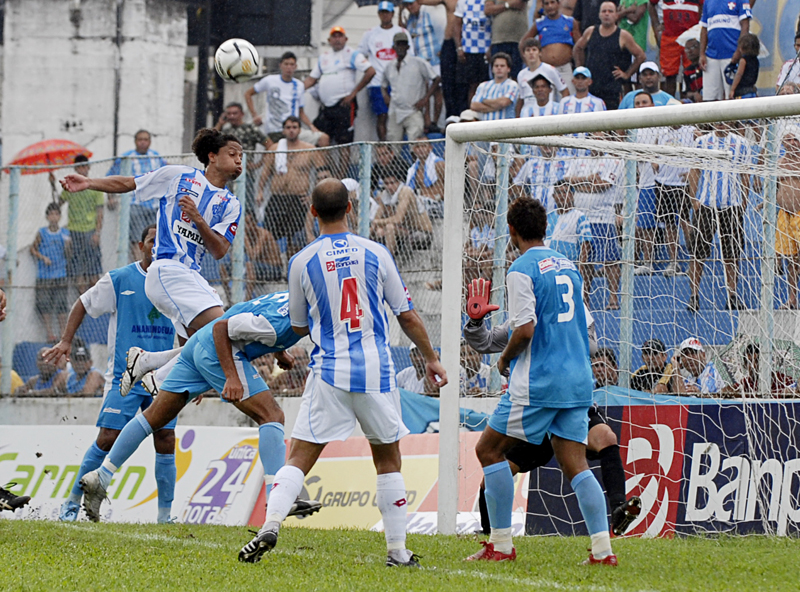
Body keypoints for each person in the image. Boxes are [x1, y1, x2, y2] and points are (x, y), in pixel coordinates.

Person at [240, 179, 447, 566]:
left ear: (313, 212)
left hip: (328, 370)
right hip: (375, 371)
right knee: (388, 459)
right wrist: (431, 357)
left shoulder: (301, 261)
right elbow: (406, 314)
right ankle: (397, 552)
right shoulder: (377, 253)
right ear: (351, 208)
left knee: (299, 456)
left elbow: (299, 324)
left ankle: (271, 524)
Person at [78, 291, 322, 523]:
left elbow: (251, 312)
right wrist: (231, 376)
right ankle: (276, 497)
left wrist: (280, 353)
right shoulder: (282, 323)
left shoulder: (292, 298)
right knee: (272, 416)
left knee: (154, 418)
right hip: (217, 347)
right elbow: (222, 328)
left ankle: (103, 475)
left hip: (196, 346)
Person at [464, 197, 617, 565]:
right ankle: (602, 550)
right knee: (574, 463)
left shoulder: (520, 269)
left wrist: (504, 359)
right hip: (579, 381)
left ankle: (500, 545)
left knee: (487, 451)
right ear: (546, 228)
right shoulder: (569, 267)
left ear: (512, 231)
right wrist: (478, 327)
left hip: (539, 382)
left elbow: (525, 329)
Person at [464, 278, 641, 538]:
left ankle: (618, 509)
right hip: (533, 407)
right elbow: (485, 342)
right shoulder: (522, 320)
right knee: (494, 470)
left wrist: (556, 334)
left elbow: (592, 346)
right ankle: (489, 534)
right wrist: (476, 323)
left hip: (566, 400)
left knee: (605, 438)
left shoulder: (572, 311)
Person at [59, 128, 243, 349]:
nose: (238, 160)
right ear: (212, 156)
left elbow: (220, 250)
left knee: (196, 353)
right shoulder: (180, 175)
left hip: (191, 274)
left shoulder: (231, 204)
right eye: (232, 154)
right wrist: (89, 183)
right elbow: (129, 183)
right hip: (168, 269)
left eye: (241, 156)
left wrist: (198, 219)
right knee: (224, 330)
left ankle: (149, 364)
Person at [41, 225, 178, 521]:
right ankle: (71, 504)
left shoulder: (178, 281)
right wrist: (66, 340)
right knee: (108, 437)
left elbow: (190, 329)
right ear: (140, 245)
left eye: (163, 241)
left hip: (163, 379)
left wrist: (192, 374)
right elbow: (83, 303)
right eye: (152, 240)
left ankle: (165, 518)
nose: (157, 246)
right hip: (124, 377)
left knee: (166, 438)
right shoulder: (120, 279)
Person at [687, 121, 752, 312]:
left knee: (732, 253)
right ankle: (694, 295)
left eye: (725, 121)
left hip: (731, 205)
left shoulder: (741, 143)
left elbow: (745, 174)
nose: (721, 124)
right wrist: (694, 200)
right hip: (706, 204)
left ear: (731, 122)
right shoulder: (701, 142)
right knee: (698, 253)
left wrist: (743, 202)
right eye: (718, 121)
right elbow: (694, 171)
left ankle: (732, 295)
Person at [564, 135, 624, 309]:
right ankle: (585, 300)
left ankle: (613, 298)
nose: (595, 141)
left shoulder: (613, 161)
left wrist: (580, 183)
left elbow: (603, 186)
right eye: (593, 137)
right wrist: (589, 179)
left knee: (610, 259)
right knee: (586, 261)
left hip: (603, 218)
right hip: (581, 218)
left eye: (600, 137)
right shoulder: (579, 159)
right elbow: (567, 180)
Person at [258, 116, 324, 257]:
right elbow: (265, 173)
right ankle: (276, 268)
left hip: (298, 199)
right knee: (270, 235)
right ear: (283, 131)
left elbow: (322, 174)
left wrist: (313, 196)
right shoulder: (275, 149)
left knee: (295, 239)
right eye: (288, 128)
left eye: (294, 127)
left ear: (300, 130)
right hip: (277, 198)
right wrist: (260, 192)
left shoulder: (310, 149)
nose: (291, 131)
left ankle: (293, 266)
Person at [304, 27, 376, 147]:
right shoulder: (324, 57)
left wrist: (353, 94)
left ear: (345, 39)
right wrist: (294, 88)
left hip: (344, 104)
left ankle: (344, 167)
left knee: (344, 141)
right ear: (329, 40)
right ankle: (326, 166)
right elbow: (312, 79)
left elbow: (370, 71)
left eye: (340, 36)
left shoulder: (352, 54)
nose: (337, 40)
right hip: (326, 106)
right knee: (322, 138)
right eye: (334, 37)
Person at [245, 52, 328, 148]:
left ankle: (322, 163)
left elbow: (301, 112)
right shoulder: (269, 80)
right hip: (275, 130)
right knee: (275, 151)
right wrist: (254, 115)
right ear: (281, 65)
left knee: (323, 138)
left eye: (292, 64)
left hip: (294, 130)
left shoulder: (299, 85)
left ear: (295, 66)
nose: (289, 67)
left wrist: (311, 126)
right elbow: (248, 94)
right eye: (286, 64)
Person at [573, 1, 646, 110]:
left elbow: (641, 56)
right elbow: (577, 48)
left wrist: (627, 74)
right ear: (599, 14)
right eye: (604, 11)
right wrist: (581, 68)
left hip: (611, 89)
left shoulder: (623, 35)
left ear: (616, 15)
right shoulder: (591, 31)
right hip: (592, 88)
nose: (607, 14)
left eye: (610, 11)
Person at [359, 2, 415, 141]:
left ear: (392, 14)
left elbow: (411, 56)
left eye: (387, 12)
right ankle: (385, 150)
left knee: (401, 116)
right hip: (377, 83)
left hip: (399, 83)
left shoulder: (402, 32)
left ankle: (398, 152)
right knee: (382, 116)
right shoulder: (370, 34)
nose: (385, 15)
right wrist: (369, 68)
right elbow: (360, 54)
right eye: (382, 12)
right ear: (379, 14)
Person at [106, 130, 168, 248]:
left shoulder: (156, 157)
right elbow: (111, 177)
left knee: (155, 237)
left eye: (145, 140)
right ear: (135, 141)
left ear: (149, 142)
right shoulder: (127, 157)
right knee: (137, 238)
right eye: (140, 140)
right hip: (134, 204)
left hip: (154, 205)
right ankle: (140, 263)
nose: (143, 143)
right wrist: (110, 197)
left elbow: (167, 172)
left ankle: (151, 263)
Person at [381, 32, 441, 142]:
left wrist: (425, 99)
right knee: (393, 142)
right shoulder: (390, 66)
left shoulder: (418, 63)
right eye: (398, 45)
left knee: (415, 143)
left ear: (408, 47)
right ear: (394, 47)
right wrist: (385, 96)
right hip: (395, 110)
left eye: (403, 45)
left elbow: (436, 79)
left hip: (413, 110)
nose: (401, 48)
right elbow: (383, 84)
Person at [654, 123, 696, 277]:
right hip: (663, 183)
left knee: (685, 222)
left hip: (683, 184)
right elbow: (654, 150)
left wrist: (691, 173)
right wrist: (655, 162)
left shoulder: (692, 131)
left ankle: (693, 260)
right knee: (669, 224)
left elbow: (700, 154)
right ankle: (674, 261)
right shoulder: (661, 131)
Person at [59, 155, 104, 294]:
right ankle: (83, 303)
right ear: (75, 168)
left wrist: (97, 233)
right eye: (79, 166)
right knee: (78, 270)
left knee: (93, 271)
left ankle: (96, 302)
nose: (82, 169)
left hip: (90, 231)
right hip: (74, 231)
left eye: (84, 166)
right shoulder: (70, 187)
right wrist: (54, 187)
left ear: (89, 167)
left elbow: (100, 212)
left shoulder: (95, 186)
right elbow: (58, 204)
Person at [214, 103, 270, 209]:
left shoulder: (250, 128)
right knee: (226, 207)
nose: (232, 116)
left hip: (245, 173)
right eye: (229, 114)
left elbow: (268, 143)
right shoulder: (225, 131)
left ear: (242, 114)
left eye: (235, 113)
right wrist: (220, 123)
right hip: (226, 174)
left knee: (246, 208)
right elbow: (210, 140)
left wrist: (259, 163)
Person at [400, 0, 445, 130]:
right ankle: (427, 121)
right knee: (423, 90)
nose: (410, 7)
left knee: (437, 91)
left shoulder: (429, 13)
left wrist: (442, 48)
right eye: (407, 5)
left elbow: (440, 29)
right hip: (420, 60)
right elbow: (403, 31)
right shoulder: (410, 18)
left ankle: (435, 121)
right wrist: (400, 12)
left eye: (411, 4)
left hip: (433, 58)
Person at [372, 165, 434, 258]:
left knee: (389, 227)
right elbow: (377, 217)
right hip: (404, 232)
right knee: (378, 229)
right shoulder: (385, 194)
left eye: (392, 183)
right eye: (386, 183)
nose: (389, 186)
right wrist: (377, 226)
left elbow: (398, 219)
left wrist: (378, 222)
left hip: (421, 234)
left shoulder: (405, 191)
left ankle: (389, 260)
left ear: (399, 181)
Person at [545, 181, 592, 301]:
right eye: (558, 192)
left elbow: (585, 244)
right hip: (548, 267)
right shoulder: (548, 217)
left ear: (572, 195)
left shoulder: (579, 216)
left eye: (565, 192)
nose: (562, 196)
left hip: (568, 267)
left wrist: (580, 269)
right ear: (553, 196)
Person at [31, 202, 71, 342]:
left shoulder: (65, 233)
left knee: (61, 305)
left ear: (60, 216)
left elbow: (69, 254)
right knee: (44, 304)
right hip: (44, 274)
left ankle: (62, 333)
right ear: (47, 217)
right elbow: (33, 249)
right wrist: (43, 257)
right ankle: (49, 333)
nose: (53, 217)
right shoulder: (42, 233)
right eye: (51, 214)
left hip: (60, 273)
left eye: (56, 214)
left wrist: (68, 247)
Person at [699, 0, 751, 101]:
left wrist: (739, 50)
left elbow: (745, 25)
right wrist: (702, 54)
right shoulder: (708, 2)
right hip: (711, 56)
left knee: (732, 96)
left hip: (731, 56)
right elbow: (704, 28)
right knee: (709, 98)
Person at [521, 0, 578, 92]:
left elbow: (579, 45)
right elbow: (523, 43)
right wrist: (529, 63)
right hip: (546, 70)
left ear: (558, 4)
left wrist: (579, 65)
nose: (550, 6)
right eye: (547, 4)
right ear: (543, 6)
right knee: (546, 100)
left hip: (565, 69)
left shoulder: (570, 21)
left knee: (568, 99)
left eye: (552, 2)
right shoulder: (539, 23)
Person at [648, 0, 701, 97]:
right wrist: (656, 27)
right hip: (670, 36)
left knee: (690, 73)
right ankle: (669, 106)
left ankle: (688, 105)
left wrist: (699, 28)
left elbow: (703, 5)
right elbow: (651, 4)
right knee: (669, 76)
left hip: (690, 37)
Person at [631, 92, 659, 275]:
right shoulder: (632, 129)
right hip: (639, 183)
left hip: (656, 181)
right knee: (641, 224)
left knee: (655, 224)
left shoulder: (658, 126)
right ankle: (643, 260)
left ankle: (651, 261)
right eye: (637, 103)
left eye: (644, 102)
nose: (640, 106)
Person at [516, 38, 569, 116]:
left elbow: (565, 91)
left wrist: (562, 111)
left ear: (540, 53)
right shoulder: (521, 75)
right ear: (523, 54)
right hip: (529, 116)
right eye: (528, 50)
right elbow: (522, 98)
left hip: (548, 114)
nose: (531, 53)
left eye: (534, 50)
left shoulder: (550, 70)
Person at [777, 127, 800, 309]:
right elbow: (776, 190)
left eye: (795, 140)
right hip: (785, 215)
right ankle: (792, 298)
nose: (792, 143)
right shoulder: (779, 164)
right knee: (791, 260)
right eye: (788, 140)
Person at [454, 0, 492, 103]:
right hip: (468, 50)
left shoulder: (489, 2)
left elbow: (495, 24)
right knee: (471, 85)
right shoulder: (463, 2)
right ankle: (472, 113)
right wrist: (459, 48)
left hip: (485, 49)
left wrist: (491, 47)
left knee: (486, 84)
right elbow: (457, 24)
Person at [483, 0, 529, 79]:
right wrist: (508, 5)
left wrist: (498, 8)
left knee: (517, 75)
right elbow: (488, 10)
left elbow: (520, 3)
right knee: (498, 74)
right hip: (498, 39)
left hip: (518, 39)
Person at [470, 53, 519, 120]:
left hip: (506, 126)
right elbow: (474, 105)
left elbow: (504, 102)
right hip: (486, 126)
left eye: (502, 66)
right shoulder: (483, 85)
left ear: (508, 69)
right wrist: (496, 106)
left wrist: (484, 101)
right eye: (496, 66)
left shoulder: (512, 84)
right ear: (492, 69)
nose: (499, 68)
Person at [729, 33, 760, 100]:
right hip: (752, 89)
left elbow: (739, 74)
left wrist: (732, 89)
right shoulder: (756, 60)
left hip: (742, 91)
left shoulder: (743, 60)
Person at [681, 38, 704, 103]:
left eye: (693, 47)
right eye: (687, 49)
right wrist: (694, 94)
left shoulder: (706, 66)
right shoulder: (686, 71)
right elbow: (685, 93)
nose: (690, 51)